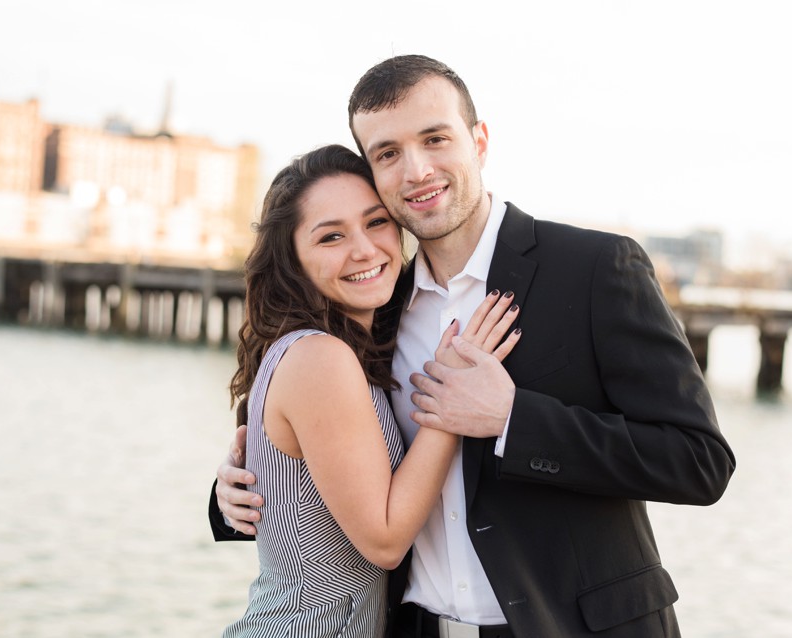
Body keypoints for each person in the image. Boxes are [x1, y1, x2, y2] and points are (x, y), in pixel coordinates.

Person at [212, 56, 736, 638]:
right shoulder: (375, 304)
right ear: (374, 172)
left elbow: (700, 461)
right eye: (387, 153)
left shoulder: (593, 270)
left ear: (479, 141)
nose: (416, 170)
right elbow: (313, 459)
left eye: (436, 139)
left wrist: (513, 419)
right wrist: (232, 491)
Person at [217, 143, 522, 638]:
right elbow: (384, 541)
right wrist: (451, 392)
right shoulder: (321, 356)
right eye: (331, 236)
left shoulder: (347, 348)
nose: (363, 248)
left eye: (376, 222)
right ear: (291, 258)